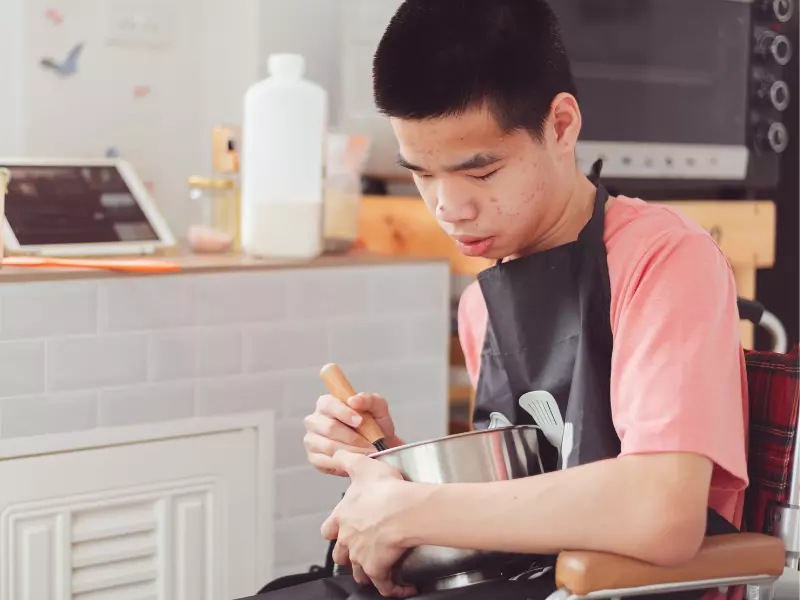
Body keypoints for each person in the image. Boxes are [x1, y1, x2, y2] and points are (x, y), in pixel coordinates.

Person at [247, 1, 748, 599]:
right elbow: (528, 489)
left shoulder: (665, 259)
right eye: (422, 174)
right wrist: (393, 464)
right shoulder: (482, 305)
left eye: (480, 173)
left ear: (561, 126)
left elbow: (661, 512)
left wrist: (409, 510)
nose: (448, 208)